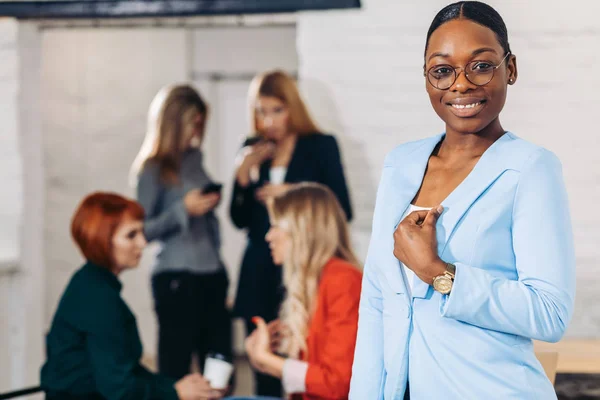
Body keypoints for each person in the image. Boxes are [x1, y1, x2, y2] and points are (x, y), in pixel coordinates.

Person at [349, 2, 576, 399]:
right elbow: (376, 302)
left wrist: (439, 272)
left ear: (511, 68)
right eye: (442, 70)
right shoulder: (400, 164)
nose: (461, 84)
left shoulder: (531, 169)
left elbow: (550, 313)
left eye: (481, 65)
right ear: (426, 79)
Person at [230, 71, 353, 396]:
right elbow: (239, 219)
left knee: (307, 348)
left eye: (276, 110)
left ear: (293, 108)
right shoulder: (251, 149)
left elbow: (341, 209)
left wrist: (292, 193)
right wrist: (242, 177)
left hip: (302, 262)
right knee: (271, 359)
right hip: (261, 268)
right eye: (261, 111)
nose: (268, 120)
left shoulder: (320, 146)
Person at [40, 192, 224, 400]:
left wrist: (179, 386)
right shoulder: (98, 298)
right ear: (102, 241)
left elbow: (126, 370)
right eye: (131, 235)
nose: (143, 243)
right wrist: (175, 392)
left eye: (141, 232)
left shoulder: (91, 283)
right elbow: (120, 389)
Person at [132, 85, 232, 381]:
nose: (198, 130)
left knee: (220, 367)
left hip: (212, 273)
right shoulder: (152, 169)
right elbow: (142, 231)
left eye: (201, 123)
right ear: (175, 122)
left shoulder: (195, 159)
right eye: (193, 123)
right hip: (176, 278)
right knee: (175, 368)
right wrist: (183, 210)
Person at [243, 183, 362, 400]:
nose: (268, 236)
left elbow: (337, 384)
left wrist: (267, 358)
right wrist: (265, 359)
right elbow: (312, 379)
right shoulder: (315, 281)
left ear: (302, 229)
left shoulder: (343, 280)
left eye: (275, 226)